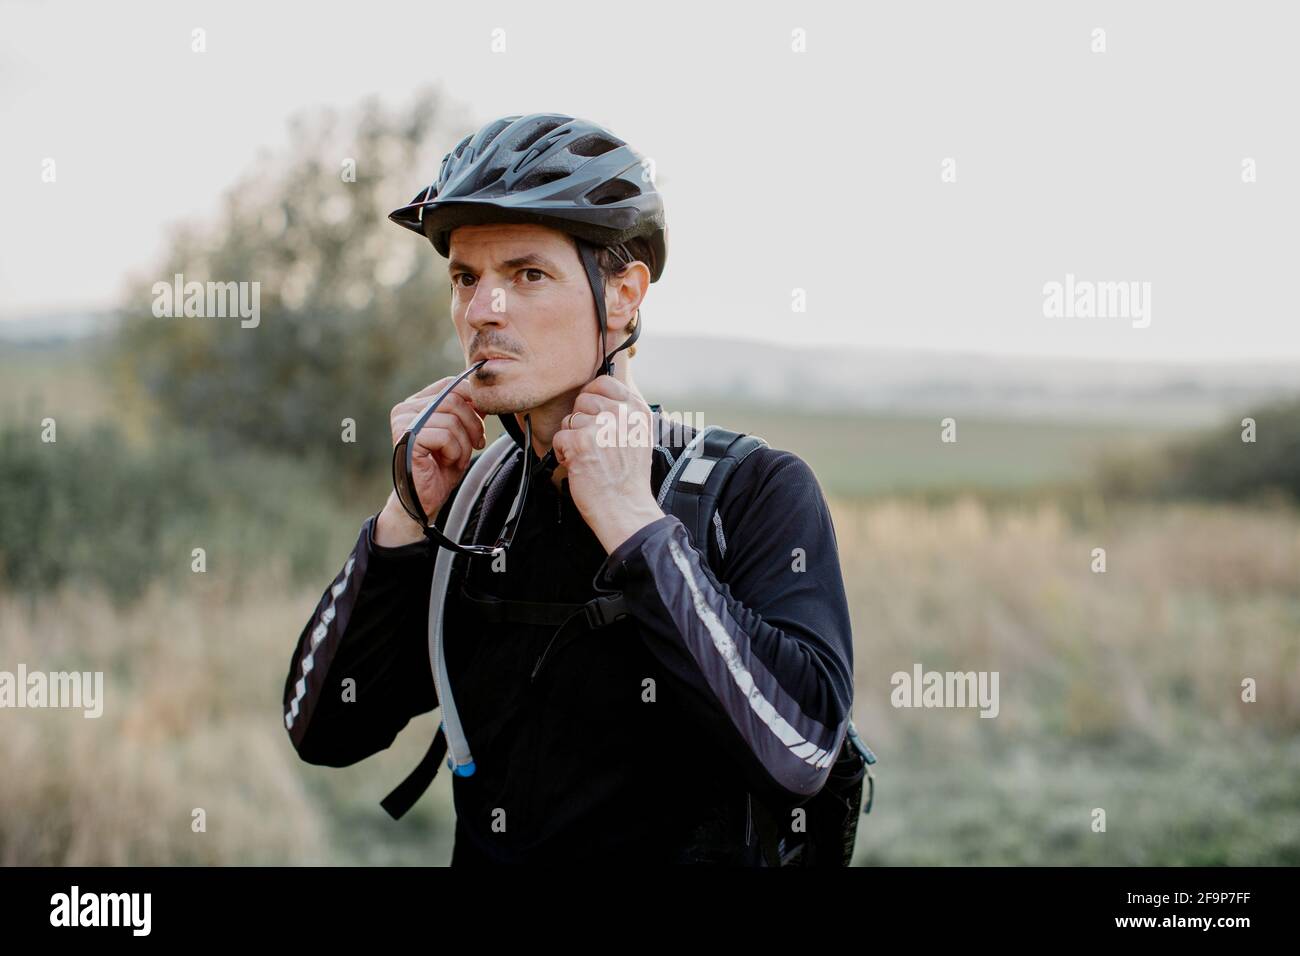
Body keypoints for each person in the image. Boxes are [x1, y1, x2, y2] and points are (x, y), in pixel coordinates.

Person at [281, 113, 856, 864]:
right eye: (465, 278)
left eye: (527, 274)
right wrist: (405, 514)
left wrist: (634, 525)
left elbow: (805, 751)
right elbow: (324, 731)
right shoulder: (472, 505)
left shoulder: (750, 492)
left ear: (622, 294)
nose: (484, 310)